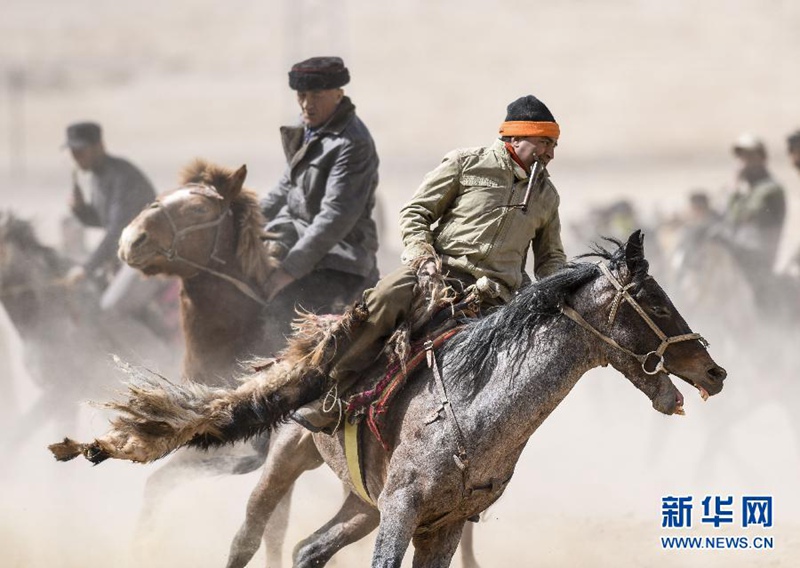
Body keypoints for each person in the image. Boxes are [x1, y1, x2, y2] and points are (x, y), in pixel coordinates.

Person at [293, 94, 568, 432]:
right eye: (546, 143)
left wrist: (561, 289)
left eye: (554, 146)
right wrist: (423, 257)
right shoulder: (466, 163)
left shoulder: (547, 196)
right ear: (516, 137)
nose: (551, 154)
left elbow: (550, 258)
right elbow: (416, 212)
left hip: (498, 297)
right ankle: (329, 391)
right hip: (439, 278)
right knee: (386, 296)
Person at [259, 56, 381, 346]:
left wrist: (288, 271)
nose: (306, 104)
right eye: (301, 95)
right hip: (294, 239)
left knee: (281, 313)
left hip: (339, 258)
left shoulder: (353, 143)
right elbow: (284, 187)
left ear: (339, 94)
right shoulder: (311, 130)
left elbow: (335, 216)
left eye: (316, 95)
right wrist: (243, 220)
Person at [64, 122, 176, 338]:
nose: (76, 157)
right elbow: (105, 220)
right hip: (131, 257)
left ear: (99, 146)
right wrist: (81, 211)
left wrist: (87, 268)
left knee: (108, 313)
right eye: (73, 152)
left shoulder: (122, 176)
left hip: (151, 257)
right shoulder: (99, 176)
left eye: (80, 151)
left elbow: (116, 230)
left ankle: (157, 364)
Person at [715, 134, 786, 292]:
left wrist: (734, 189)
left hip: (757, 256)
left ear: (762, 158)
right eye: (741, 157)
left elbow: (740, 216)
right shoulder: (746, 189)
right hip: (738, 251)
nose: (744, 162)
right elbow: (720, 213)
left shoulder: (770, 189)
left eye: (749, 157)